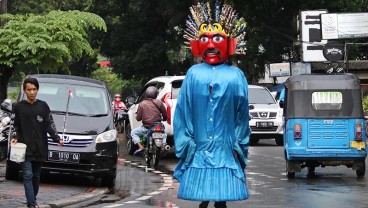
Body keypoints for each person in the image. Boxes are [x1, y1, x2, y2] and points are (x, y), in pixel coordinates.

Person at [173, 2, 250, 208]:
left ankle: (219, 203)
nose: (210, 45)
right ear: (197, 43)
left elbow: (242, 115)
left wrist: (239, 143)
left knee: (222, 198)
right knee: (204, 193)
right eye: (204, 39)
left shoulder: (236, 75)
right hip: (199, 145)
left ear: (229, 43)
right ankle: (206, 202)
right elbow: (183, 111)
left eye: (217, 38)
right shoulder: (193, 73)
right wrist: (187, 140)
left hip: (226, 146)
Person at [11, 77, 64, 208]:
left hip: (40, 148)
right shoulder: (18, 107)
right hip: (25, 148)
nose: (32, 92)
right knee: (28, 175)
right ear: (24, 90)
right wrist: (14, 136)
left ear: (37, 90)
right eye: (29, 89)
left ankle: (33, 199)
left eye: (34, 89)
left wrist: (57, 138)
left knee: (35, 176)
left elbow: (49, 124)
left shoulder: (43, 106)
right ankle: (31, 204)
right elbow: (15, 125)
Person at [130, 86, 167, 155]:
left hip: (146, 127)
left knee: (133, 132)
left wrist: (137, 116)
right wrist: (164, 119)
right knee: (164, 133)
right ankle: (164, 145)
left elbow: (138, 118)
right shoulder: (159, 102)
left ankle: (140, 147)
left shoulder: (142, 103)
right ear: (156, 94)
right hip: (157, 125)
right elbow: (165, 114)